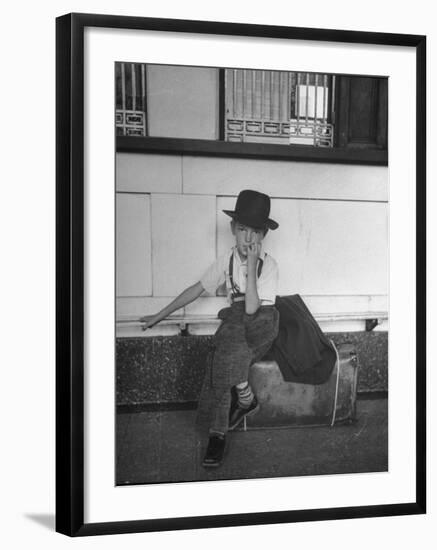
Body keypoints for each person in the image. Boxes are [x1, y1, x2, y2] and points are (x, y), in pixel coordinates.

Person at [140, 189, 280, 468]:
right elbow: (196, 289)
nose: (248, 238)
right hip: (236, 326)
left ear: (263, 234)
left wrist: (252, 267)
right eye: (242, 230)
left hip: (262, 323)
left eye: (254, 232)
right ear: (232, 229)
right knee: (224, 353)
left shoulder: (270, 265)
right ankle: (225, 423)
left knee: (231, 341)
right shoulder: (225, 260)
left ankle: (240, 404)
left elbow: (253, 309)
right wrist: (160, 314)